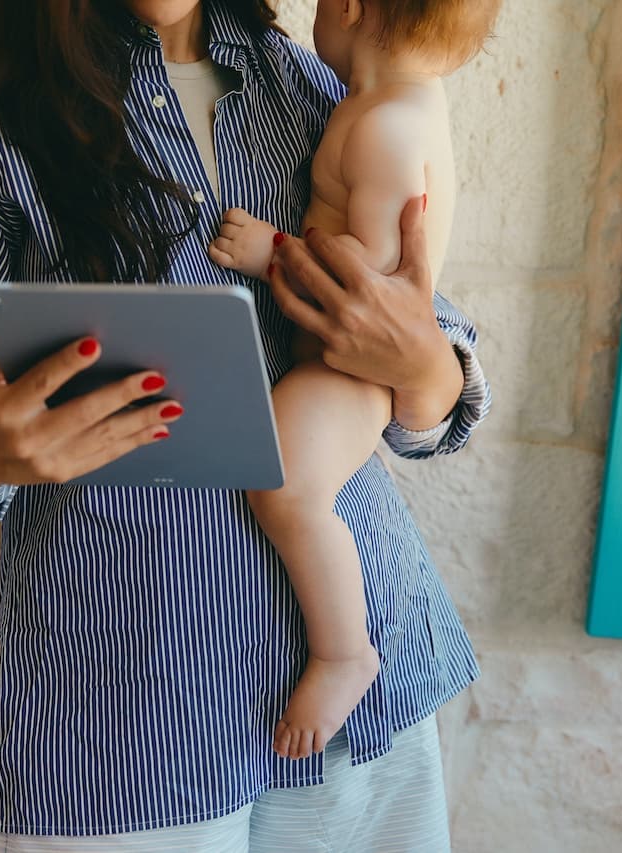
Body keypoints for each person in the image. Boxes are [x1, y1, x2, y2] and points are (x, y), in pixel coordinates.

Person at [0, 0, 492, 849]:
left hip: (366, 692)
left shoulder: (296, 76)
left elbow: (415, 363)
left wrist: (429, 369)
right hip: (131, 712)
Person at [207, 0, 501, 759]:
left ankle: (345, 649)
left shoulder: (383, 128)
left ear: (349, 7)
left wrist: (271, 250)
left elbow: (364, 293)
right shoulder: (383, 105)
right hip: (337, 364)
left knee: (282, 483)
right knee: (283, 477)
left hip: (350, 373)